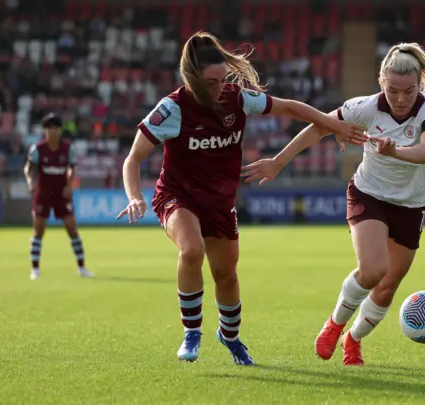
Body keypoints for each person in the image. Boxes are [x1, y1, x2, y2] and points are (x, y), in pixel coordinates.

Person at [116, 32, 366, 365]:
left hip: (219, 202)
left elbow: (290, 107)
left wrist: (331, 124)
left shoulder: (237, 98)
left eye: (223, 80)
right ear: (192, 78)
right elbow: (133, 158)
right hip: (178, 196)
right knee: (192, 250)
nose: (220, 87)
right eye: (211, 82)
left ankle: (230, 337)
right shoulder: (172, 109)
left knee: (227, 275)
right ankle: (192, 332)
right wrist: (135, 197)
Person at [241, 43, 425, 366]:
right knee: (374, 269)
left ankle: (353, 339)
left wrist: (396, 152)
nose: (401, 99)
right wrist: (278, 162)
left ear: (419, 86)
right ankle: (334, 325)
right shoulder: (364, 107)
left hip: (413, 202)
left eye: (409, 91)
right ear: (381, 83)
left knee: (387, 287)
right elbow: (319, 126)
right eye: (393, 91)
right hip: (369, 194)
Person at [24, 113, 92, 280]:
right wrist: (30, 182)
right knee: (38, 230)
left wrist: (69, 185)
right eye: (47, 128)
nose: (51, 131)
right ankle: (35, 269)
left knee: (72, 228)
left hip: (62, 192)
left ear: (60, 130)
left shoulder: (68, 148)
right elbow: (29, 168)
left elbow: (72, 168)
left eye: (54, 127)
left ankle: (82, 267)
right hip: (44, 192)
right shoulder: (38, 149)